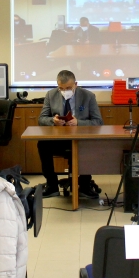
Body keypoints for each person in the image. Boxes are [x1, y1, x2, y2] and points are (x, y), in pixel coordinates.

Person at [38, 69, 103, 198]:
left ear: (75, 85)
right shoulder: (51, 95)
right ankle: (52, 185)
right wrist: (53, 121)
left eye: (68, 88)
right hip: (59, 139)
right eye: (61, 88)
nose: (64, 91)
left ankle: (84, 185)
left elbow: (98, 121)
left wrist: (78, 122)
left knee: (88, 146)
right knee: (42, 145)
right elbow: (41, 119)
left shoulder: (88, 96)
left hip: (81, 139)